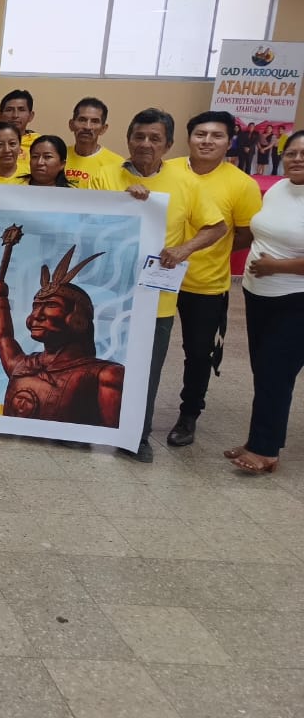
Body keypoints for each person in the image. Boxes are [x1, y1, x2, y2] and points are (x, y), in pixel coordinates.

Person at [89, 107, 226, 463]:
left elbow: (217, 227)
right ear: (128, 139)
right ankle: (87, 429)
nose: (145, 144)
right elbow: (88, 220)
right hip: (107, 292)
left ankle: (137, 436)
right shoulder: (105, 176)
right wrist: (121, 202)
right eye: (139, 137)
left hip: (155, 297)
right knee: (97, 362)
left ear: (167, 145)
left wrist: (183, 250)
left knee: (145, 370)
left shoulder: (186, 182)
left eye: (155, 138)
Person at [162, 111, 262, 447]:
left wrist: (212, 252)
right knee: (148, 345)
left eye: (216, 135)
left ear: (229, 141)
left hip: (205, 284)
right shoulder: (168, 169)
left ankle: (189, 414)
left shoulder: (242, 184)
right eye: (200, 134)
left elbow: (246, 233)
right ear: (188, 138)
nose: (207, 141)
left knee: (198, 352)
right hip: (158, 278)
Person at [226, 131, 304, 474]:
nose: (297, 159)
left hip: (295, 300)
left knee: (275, 372)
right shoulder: (278, 189)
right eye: (292, 153)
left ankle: (265, 449)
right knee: (265, 370)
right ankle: (259, 438)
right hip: (258, 295)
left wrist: (277, 267)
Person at [0, 245, 123, 426]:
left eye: (51, 305)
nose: (36, 316)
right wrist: (1, 298)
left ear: (77, 318)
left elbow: (111, 435)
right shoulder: (22, 366)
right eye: (36, 306)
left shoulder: (106, 376)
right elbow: (4, 338)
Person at [64, 97, 122, 187]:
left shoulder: (118, 164)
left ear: (103, 129)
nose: (87, 127)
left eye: (95, 121)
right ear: (71, 124)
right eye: (82, 120)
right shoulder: (58, 157)